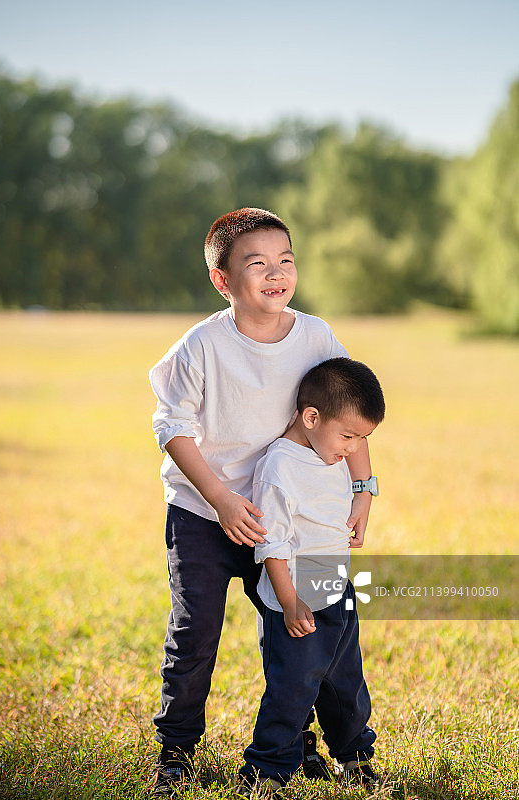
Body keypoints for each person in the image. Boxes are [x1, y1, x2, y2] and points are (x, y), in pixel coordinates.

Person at [148, 208, 376, 796]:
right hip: (207, 513)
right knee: (195, 632)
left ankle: (300, 737)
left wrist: (361, 487)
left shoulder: (316, 336)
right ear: (223, 280)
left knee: (304, 627)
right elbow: (170, 426)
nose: (276, 274)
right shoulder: (201, 345)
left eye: (285, 261)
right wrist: (222, 499)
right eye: (257, 264)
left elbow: (348, 407)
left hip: (290, 517)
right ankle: (175, 746)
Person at [238, 357, 385, 797]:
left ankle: (354, 756)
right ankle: (268, 770)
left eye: (364, 438)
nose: (354, 447)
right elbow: (273, 544)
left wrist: (359, 502)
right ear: (311, 417)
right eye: (348, 435)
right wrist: (288, 603)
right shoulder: (280, 468)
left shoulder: (329, 451)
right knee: (292, 688)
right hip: (295, 597)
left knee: (346, 683)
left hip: (333, 587)